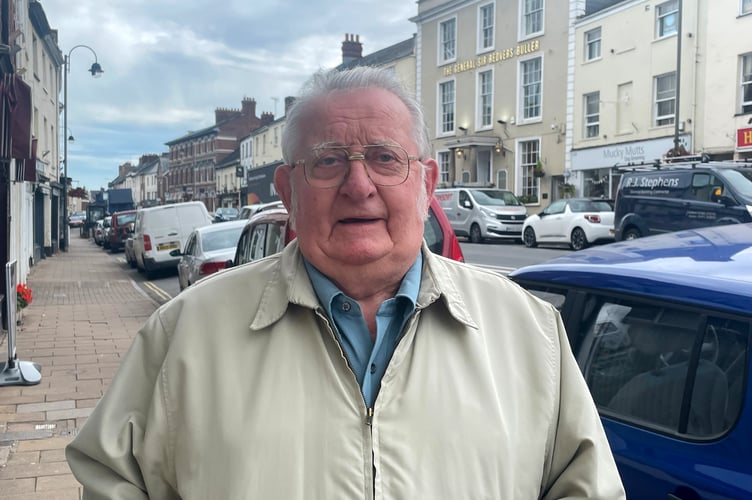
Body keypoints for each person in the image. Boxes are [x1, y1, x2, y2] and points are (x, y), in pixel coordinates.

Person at [66, 66, 625, 499]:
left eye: (385, 158)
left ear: (426, 183)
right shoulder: (184, 334)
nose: (359, 186)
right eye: (328, 161)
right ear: (287, 189)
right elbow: (113, 477)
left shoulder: (529, 331)